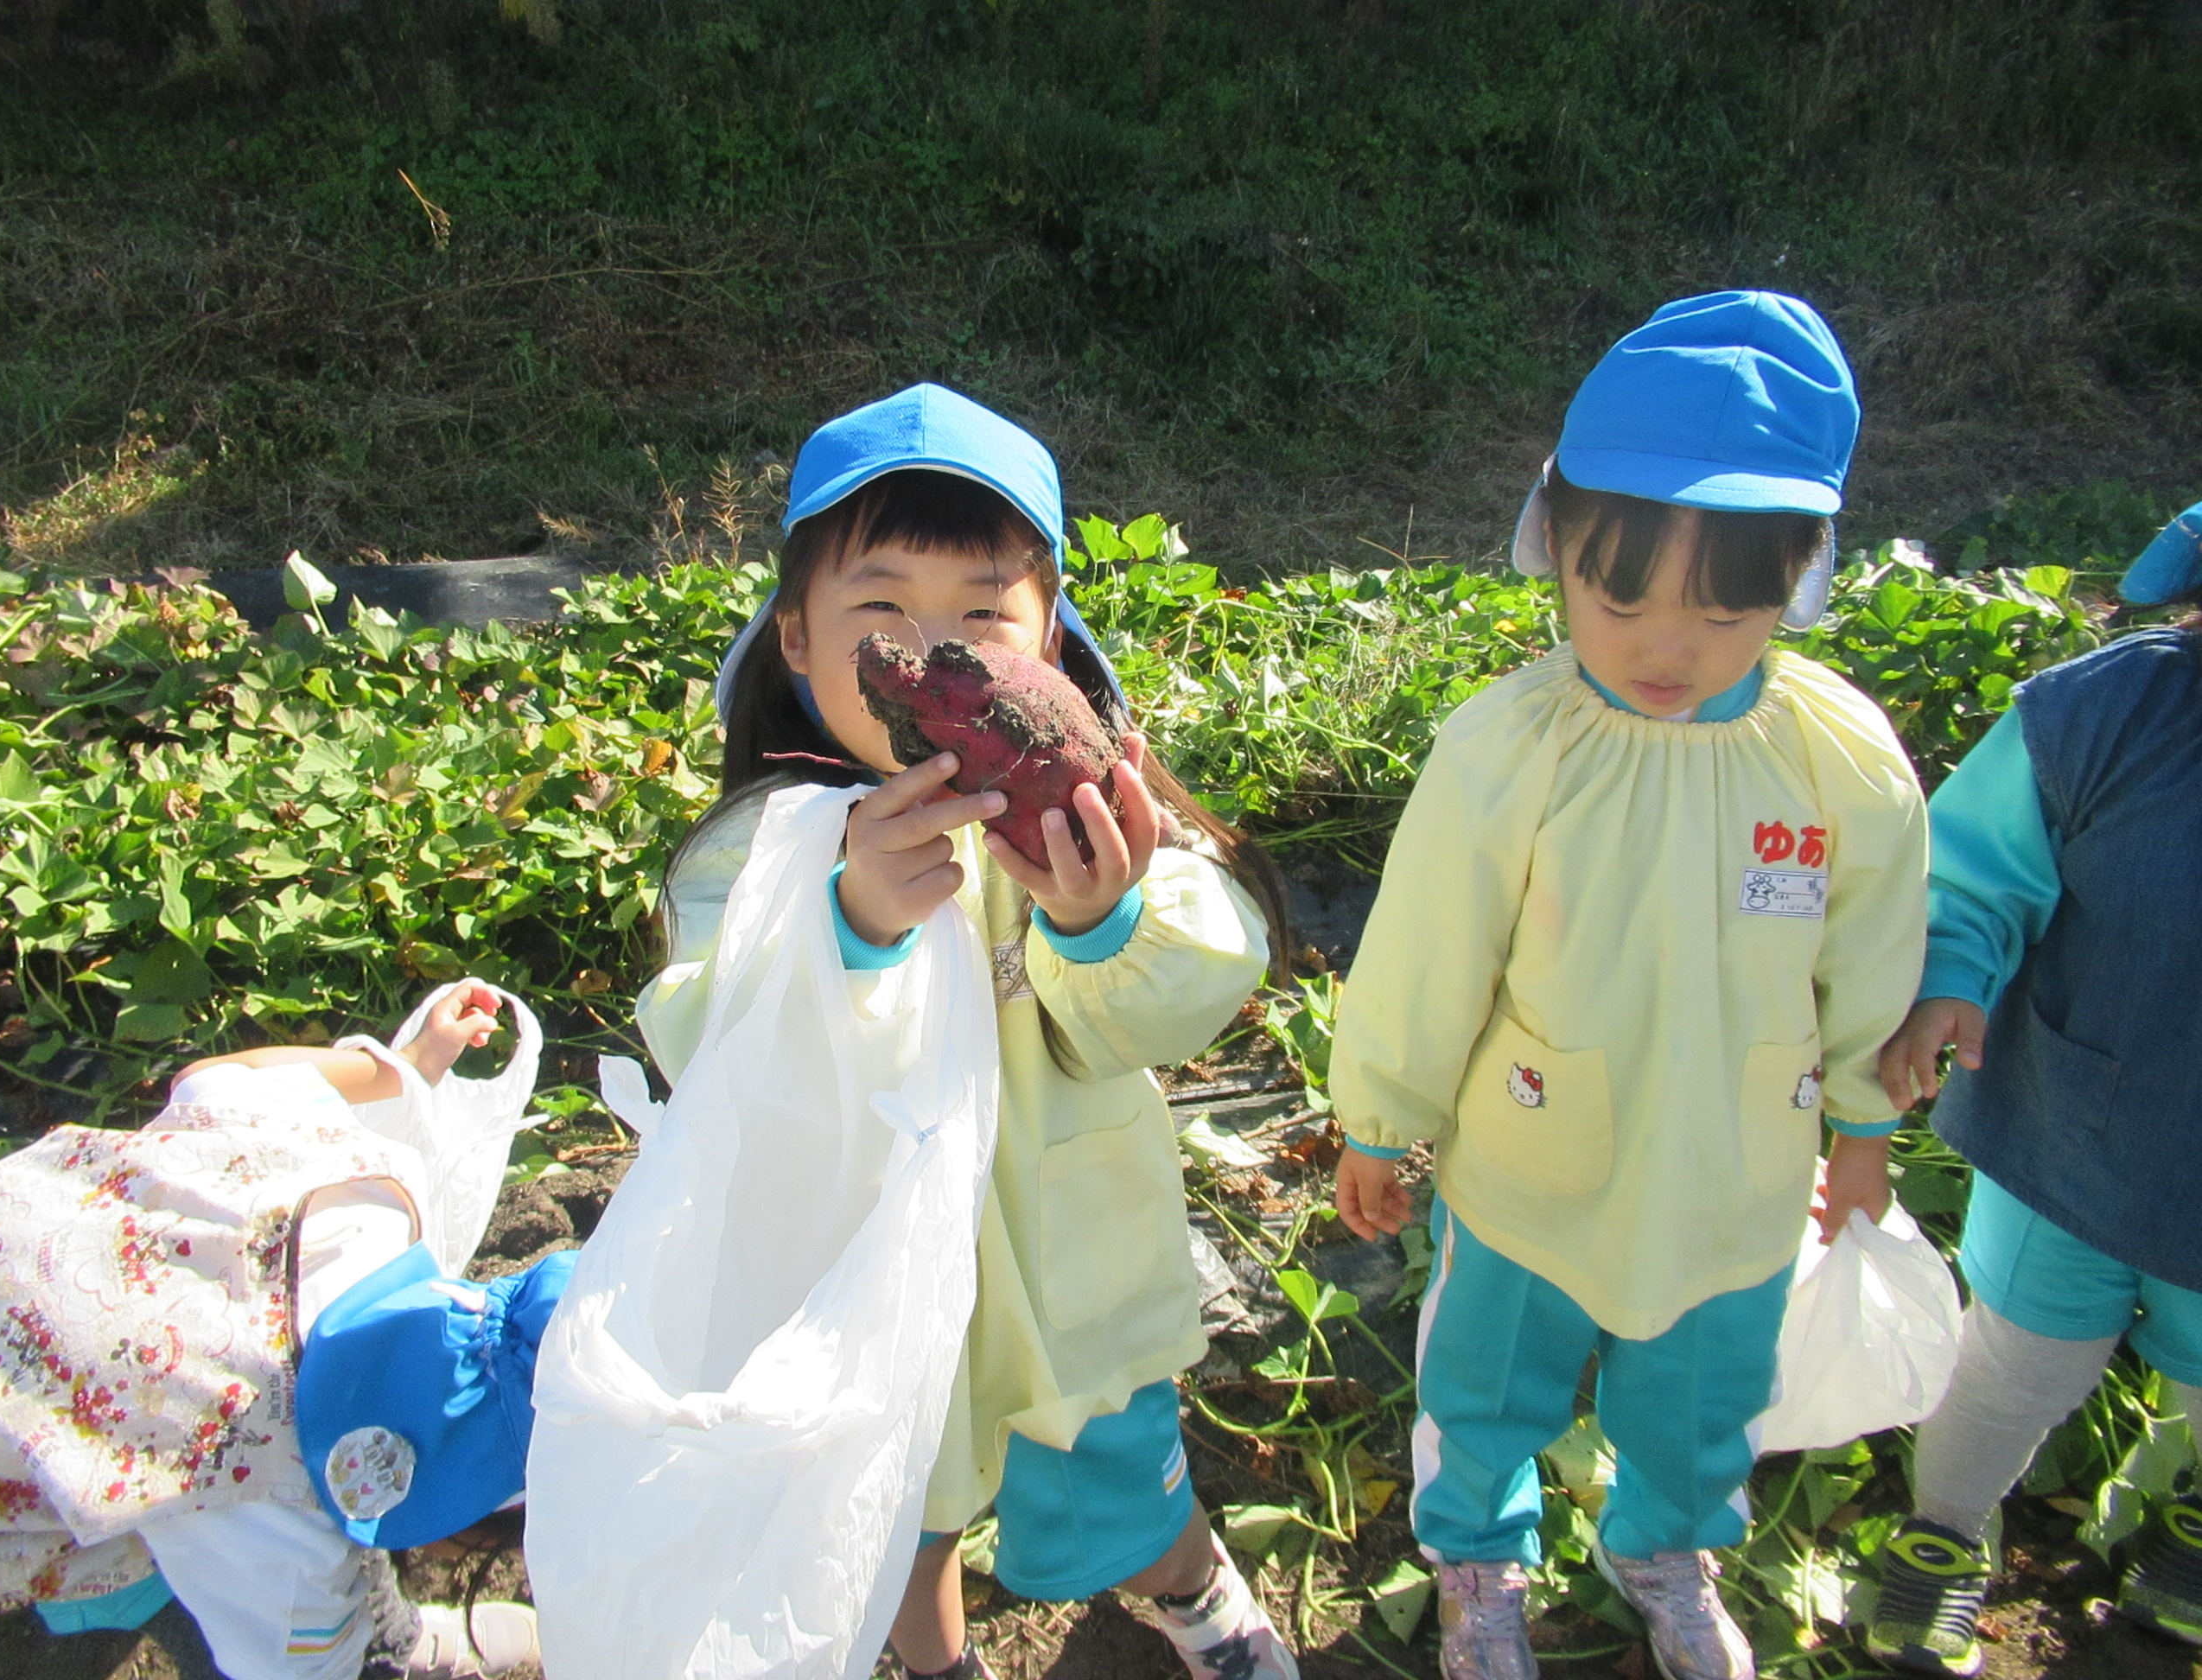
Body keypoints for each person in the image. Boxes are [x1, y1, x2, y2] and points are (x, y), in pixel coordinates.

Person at [637, 383, 1296, 1680]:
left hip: (1071, 1279)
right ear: (796, 638)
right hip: (870, 1304)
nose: (930, 656)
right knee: (900, 1521)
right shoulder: (755, 858)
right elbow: (709, 1050)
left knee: (1127, 1491)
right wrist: (849, 926)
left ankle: (1192, 1593)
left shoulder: (1091, 816)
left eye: (984, 615)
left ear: (1048, 636)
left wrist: (1102, 920)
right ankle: (938, 1664)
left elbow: (1200, 985)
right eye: (880, 610)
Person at [1327, 293, 1930, 1680]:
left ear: (1804, 582)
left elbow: (1872, 952)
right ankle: (1477, 1555)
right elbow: (1426, 950)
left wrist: (1864, 1127)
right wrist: (1381, 1120)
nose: (1669, 648)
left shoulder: (1835, 759)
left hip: (1739, 1172)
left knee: (1705, 1393)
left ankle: (1664, 1544)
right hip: (1532, 1163)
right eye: (1622, 598)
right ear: (1554, 546)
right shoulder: (1513, 750)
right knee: (1489, 1380)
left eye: (1729, 610)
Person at [0, 982, 568, 1680]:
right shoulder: (265, 1497)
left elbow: (213, 1078)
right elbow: (298, 1667)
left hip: (3, 1243)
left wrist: (409, 1065)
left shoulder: (366, 1192)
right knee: (144, 1531)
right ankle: (110, 1593)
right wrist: (359, 1643)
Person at [1865, 501, 2202, 1677]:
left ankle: (2189, 1530)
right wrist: (1951, 978)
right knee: (2018, 1361)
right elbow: (1971, 873)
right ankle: (1947, 1532)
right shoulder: (2108, 713)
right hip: (2075, 1131)